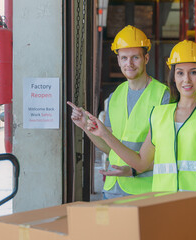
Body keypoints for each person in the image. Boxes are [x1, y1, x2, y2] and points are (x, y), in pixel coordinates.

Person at [82, 40, 196, 239]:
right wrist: (103, 133)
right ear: (174, 77)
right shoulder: (159, 115)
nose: (186, 79)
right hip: (163, 209)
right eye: (180, 73)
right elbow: (141, 162)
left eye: (193, 72)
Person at [67, 25, 170, 200]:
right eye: (124, 58)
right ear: (118, 60)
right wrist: (86, 127)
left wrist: (133, 171)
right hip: (112, 188)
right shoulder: (115, 96)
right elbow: (110, 148)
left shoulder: (163, 96)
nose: (128, 64)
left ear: (146, 58)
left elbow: (169, 153)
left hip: (145, 191)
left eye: (135, 57)